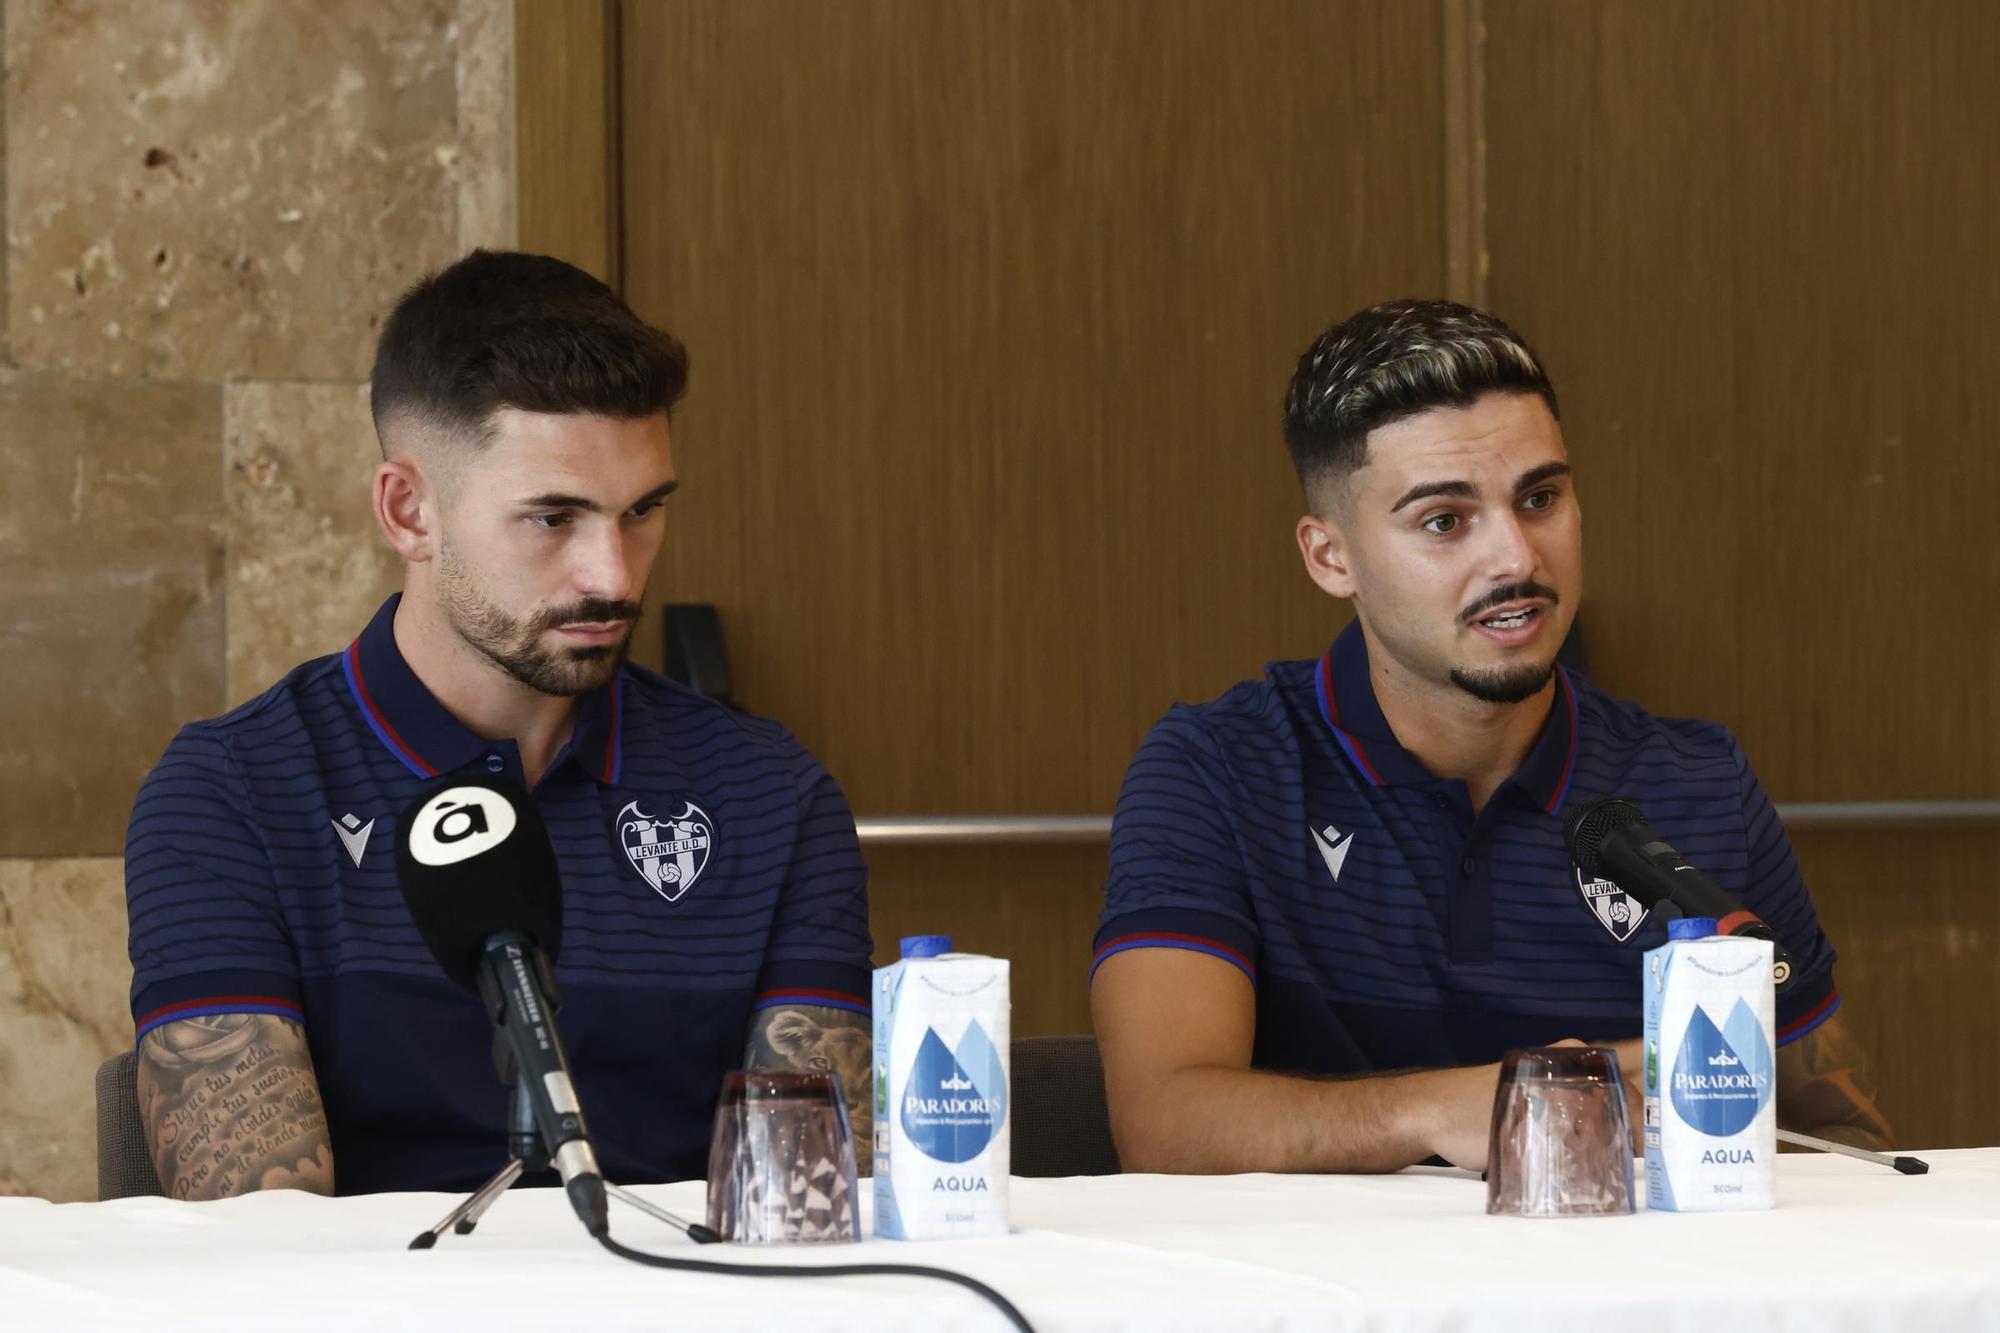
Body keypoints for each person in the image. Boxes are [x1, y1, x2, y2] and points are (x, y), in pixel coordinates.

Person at [123, 251, 873, 1199]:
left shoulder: (772, 796)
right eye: (553, 517)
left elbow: (806, 1209)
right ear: (409, 510)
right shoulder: (232, 795)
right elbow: (266, 1246)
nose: (616, 575)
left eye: (643, 511)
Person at [1090, 299, 1891, 1173]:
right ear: (1332, 557)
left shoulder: (1697, 782)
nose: (1517, 558)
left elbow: (1838, 1130)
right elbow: (1163, 1123)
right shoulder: (1218, 769)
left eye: (1540, 497)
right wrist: (1455, 1105)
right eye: (1445, 520)